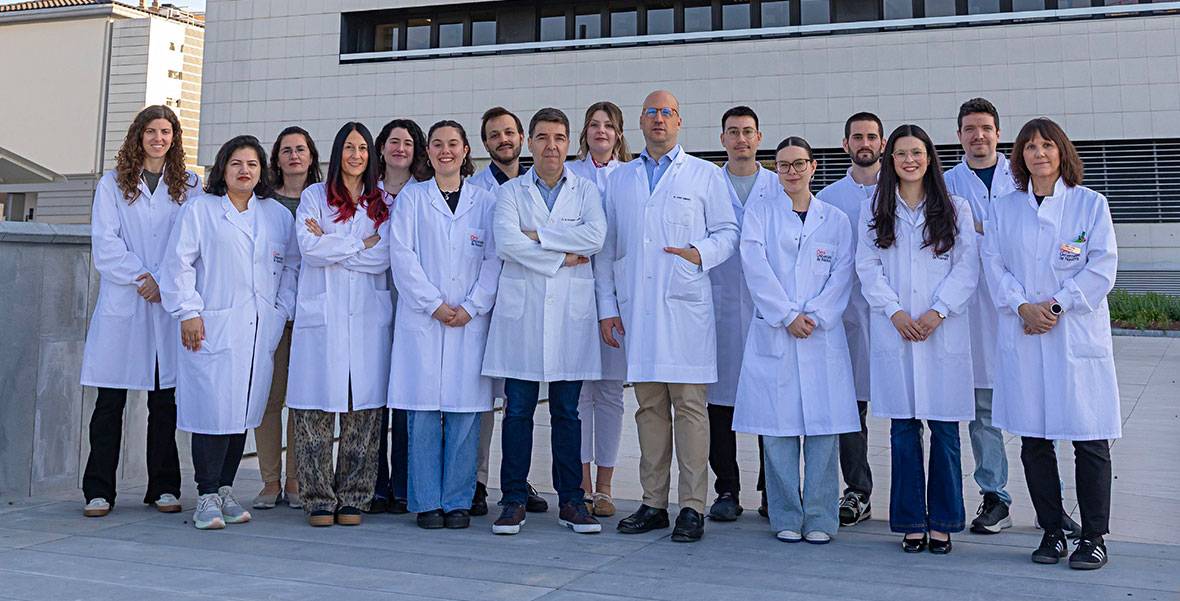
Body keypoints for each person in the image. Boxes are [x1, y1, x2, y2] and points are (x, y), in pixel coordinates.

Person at [599, 90, 739, 543]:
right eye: (651, 112)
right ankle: (654, 503)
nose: (659, 119)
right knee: (650, 410)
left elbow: (728, 232)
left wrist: (699, 253)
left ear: (679, 121)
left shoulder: (704, 174)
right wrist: (607, 308)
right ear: (640, 122)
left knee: (691, 410)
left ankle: (692, 506)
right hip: (638, 312)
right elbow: (608, 248)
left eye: (667, 112)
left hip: (685, 310)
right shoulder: (620, 179)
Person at [982, 117, 1120, 570]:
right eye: (1029, 147)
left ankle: (1094, 537)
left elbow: (1101, 267)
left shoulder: (1090, 204)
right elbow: (994, 265)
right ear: (1019, 157)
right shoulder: (1005, 208)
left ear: (1062, 152)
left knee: (1089, 438)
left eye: (1047, 145)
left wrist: (1056, 307)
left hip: (1075, 337)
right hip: (1025, 335)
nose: (1039, 153)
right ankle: (1052, 531)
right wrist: (1023, 307)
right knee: (1035, 440)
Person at [161, 135, 298, 530]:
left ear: (262, 171)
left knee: (242, 412)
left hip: (259, 330)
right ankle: (206, 495)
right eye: (236, 163)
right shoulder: (200, 210)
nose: (244, 171)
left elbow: (291, 267)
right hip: (211, 326)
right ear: (223, 168)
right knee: (212, 411)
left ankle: (224, 488)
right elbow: (178, 263)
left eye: (252, 164)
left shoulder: (276, 215)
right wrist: (188, 312)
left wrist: (280, 311)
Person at [482, 108, 607, 535]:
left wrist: (538, 236)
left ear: (569, 143)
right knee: (517, 411)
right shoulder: (510, 193)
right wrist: (562, 258)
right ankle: (513, 499)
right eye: (542, 137)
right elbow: (507, 243)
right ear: (529, 143)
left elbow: (595, 237)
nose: (551, 146)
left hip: (570, 317)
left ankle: (572, 500)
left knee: (567, 412)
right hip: (522, 318)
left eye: (558, 138)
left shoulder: (586, 190)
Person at [855, 124, 978, 554]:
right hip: (897, 330)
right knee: (903, 433)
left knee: (945, 432)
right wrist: (894, 311)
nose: (910, 160)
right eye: (902, 153)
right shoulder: (874, 207)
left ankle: (943, 522)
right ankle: (910, 521)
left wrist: (937, 311)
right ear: (890, 160)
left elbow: (967, 267)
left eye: (917, 153)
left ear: (929, 158)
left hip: (941, 331)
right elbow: (867, 266)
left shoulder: (955, 208)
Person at [734, 136, 859, 544]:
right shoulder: (760, 214)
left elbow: (843, 274)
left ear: (813, 166)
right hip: (777, 331)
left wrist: (816, 316)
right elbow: (755, 267)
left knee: (823, 433)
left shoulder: (835, 220)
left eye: (799, 163)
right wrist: (787, 315)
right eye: (784, 165)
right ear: (776, 170)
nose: (792, 171)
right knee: (778, 433)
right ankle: (786, 514)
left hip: (821, 336)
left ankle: (821, 517)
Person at [80, 105, 198, 518]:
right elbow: (105, 242)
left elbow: (191, 241)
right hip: (125, 302)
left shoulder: (189, 185)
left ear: (174, 138)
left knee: (164, 402)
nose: (158, 139)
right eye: (151, 131)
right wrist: (142, 277)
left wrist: (162, 280)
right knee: (109, 402)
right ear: (138, 136)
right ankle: (98, 491)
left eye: (165, 131)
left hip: (165, 303)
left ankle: (164, 487)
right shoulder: (112, 183)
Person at [387, 120, 501, 530]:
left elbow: (495, 260)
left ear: (466, 150)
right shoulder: (412, 199)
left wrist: (472, 306)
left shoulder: (485, 202)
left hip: (469, 321)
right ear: (429, 152)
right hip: (424, 320)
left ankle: (457, 500)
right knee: (422, 414)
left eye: (453, 143)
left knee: (465, 415)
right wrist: (434, 305)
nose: (445, 150)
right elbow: (402, 256)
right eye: (437, 144)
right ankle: (426, 502)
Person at [286, 122, 391, 527]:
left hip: (366, 318)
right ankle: (317, 498)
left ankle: (354, 496)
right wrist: (360, 243)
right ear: (337, 153)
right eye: (349, 147)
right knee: (313, 412)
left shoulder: (382, 201)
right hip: (323, 319)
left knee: (362, 413)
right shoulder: (315, 196)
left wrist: (333, 245)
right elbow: (309, 250)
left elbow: (383, 256)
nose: (356, 155)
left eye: (363, 148)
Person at [465, 106, 546, 516]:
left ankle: (517, 481)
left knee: (520, 404)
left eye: (509, 132)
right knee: (481, 402)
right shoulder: (474, 190)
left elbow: (546, 239)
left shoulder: (539, 186)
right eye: (495, 135)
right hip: (484, 307)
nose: (504, 140)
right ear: (485, 143)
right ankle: (476, 481)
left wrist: (532, 240)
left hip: (525, 305)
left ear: (522, 138)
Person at [941, 98, 1017, 535]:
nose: (978, 135)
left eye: (985, 128)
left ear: (998, 133)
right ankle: (995, 496)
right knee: (983, 411)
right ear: (959, 136)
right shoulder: (946, 183)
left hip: (1021, 308)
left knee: (1037, 410)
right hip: (972, 315)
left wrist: (980, 229)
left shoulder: (1022, 176)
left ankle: (1052, 501)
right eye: (970, 128)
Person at [706, 105, 779, 522]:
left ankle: (773, 489)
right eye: (732, 132)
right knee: (720, 406)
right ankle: (727, 489)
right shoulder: (708, 184)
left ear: (759, 137)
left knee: (770, 401)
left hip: (767, 309)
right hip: (718, 307)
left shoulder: (777, 184)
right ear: (722, 139)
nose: (740, 139)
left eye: (747, 131)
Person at [816, 112, 883, 527]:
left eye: (871, 136)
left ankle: (917, 494)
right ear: (845, 145)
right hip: (847, 319)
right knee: (851, 409)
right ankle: (858, 490)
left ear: (882, 143)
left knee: (910, 413)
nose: (864, 143)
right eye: (857, 137)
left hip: (897, 318)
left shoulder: (903, 189)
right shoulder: (828, 199)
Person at [566, 101, 631, 518]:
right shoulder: (569, 175)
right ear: (584, 133)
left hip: (619, 300)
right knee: (578, 394)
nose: (601, 131)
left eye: (608, 125)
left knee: (609, 393)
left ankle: (605, 486)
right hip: (573, 294)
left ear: (619, 133)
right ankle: (582, 484)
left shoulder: (632, 176)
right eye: (594, 124)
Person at [252, 126, 321, 510]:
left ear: (311, 157)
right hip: (272, 313)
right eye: (287, 150)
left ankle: (295, 480)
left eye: (301, 149)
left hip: (312, 313)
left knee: (302, 400)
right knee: (269, 397)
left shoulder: (322, 198)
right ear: (276, 159)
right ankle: (269, 481)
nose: (294, 156)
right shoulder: (263, 203)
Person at [369, 118, 431, 515]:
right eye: (394, 141)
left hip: (415, 305)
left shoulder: (425, 193)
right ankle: (375, 485)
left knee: (409, 396)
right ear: (381, 148)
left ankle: (405, 485)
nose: (400, 149)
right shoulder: (365, 194)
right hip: (371, 302)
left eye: (408, 143)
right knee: (375, 399)